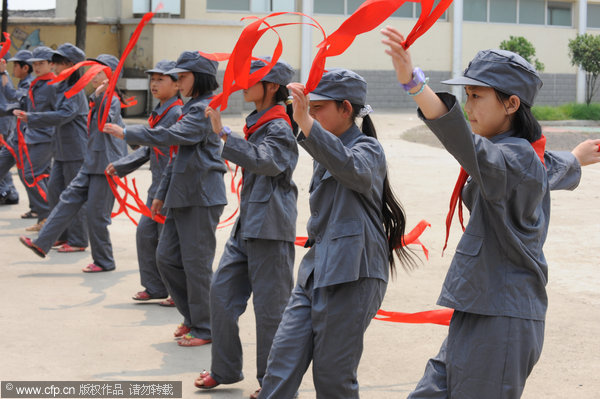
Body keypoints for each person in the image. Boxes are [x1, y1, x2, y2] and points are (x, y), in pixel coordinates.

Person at [381, 26, 600, 399]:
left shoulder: (511, 159)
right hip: (480, 308)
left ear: (511, 104)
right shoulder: (521, 156)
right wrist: (576, 159)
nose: (468, 107)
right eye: (466, 95)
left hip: (502, 317)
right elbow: (544, 166)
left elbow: (476, 151)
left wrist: (415, 85)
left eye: (476, 96)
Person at [257, 68, 414, 399]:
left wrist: (307, 123)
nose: (310, 114)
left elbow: (349, 167)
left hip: (353, 273)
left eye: (318, 108)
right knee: (281, 364)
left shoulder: (367, 150)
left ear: (346, 108)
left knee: (332, 377)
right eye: (309, 108)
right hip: (316, 270)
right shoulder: (323, 147)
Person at [102, 51, 227, 346]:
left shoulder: (204, 109)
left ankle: (205, 327)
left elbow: (172, 136)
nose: (178, 82)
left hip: (201, 195)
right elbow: (175, 158)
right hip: (180, 194)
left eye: (182, 77)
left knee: (196, 264)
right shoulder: (192, 107)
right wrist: (161, 194)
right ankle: (192, 317)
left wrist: (126, 132)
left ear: (200, 78)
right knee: (167, 258)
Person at [194, 58, 299, 399]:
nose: (243, 84)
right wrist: (225, 133)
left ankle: (275, 383)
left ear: (271, 87)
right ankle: (225, 368)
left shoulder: (280, 126)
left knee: (271, 312)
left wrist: (224, 135)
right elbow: (254, 152)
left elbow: (266, 161)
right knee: (221, 295)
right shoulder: (260, 122)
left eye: (253, 79)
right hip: (248, 225)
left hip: (270, 228)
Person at [19, 54, 127, 273]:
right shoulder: (98, 96)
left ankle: (104, 260)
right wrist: (98, 97)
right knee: (66, 199)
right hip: (91, 162)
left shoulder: (111, 98)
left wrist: (101, 97)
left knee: (97, 216)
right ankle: (42, 243)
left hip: (105, 165)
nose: (92, 75)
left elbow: (107, 121)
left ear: (110, 75)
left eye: (97, 71)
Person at [107, 59, 182, 305]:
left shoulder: (177, 113)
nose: (154, 84)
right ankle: (155, 287)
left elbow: (158, 141)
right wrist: (121, 166)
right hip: (157, 186)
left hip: (171, 188)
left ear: (177, 84)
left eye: (161, 79)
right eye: (153, 79)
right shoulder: (160, 111)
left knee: (169, 244)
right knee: (145, 235)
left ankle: (179, 292)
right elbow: (150, 148)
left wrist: (128, 134)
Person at [23, 43, 89, 253]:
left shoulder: (75, 89)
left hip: (75, 151)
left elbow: (64, 115)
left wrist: (32, 118)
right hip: (62, 150)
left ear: (71, 65)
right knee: (55, 192)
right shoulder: (62, 86)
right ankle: (62, 236)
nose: (54, 66)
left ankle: (78, 240)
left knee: (73, 196)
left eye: (58, 62)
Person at [1, 46, 57, 231]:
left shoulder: (53, 85)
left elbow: (62, 114)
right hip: (26, 136)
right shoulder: (38, 83)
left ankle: (48, 216)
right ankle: (44, 215)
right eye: (36, 64)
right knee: (36, 175)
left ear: (51, 64)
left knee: (32, 175)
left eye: (42, 63)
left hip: (42, 137)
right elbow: (21, 102)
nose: (37, 67)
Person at [0, 50, 33, 210]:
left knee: (27, 172)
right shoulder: (22, 82)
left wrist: (3, 72)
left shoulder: (28, 84)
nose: (13, 69)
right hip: (16, 133)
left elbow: (10, 100)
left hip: (17, 132)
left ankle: (8, 193)